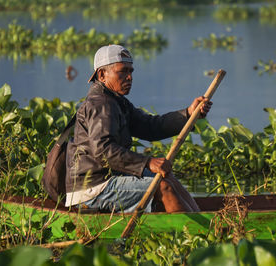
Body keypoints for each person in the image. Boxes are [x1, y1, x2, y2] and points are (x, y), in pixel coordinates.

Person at [65, 44, 212, 213]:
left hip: (111, 178)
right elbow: (103, 151)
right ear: (102, 74)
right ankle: (194, 233)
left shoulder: (117, 101)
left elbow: (150, 127)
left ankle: (201, 220)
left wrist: (188, 114)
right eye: (123, 71)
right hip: (92, 189)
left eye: (131, 71)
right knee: (162, 186)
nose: (129, 77)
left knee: (167, 177)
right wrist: (147, 162)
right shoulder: (101, 104)